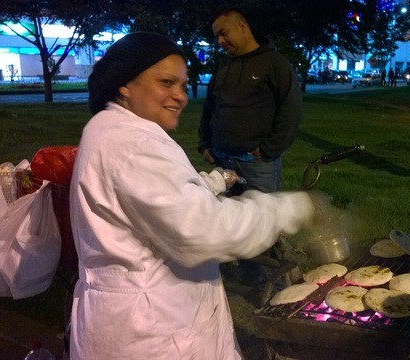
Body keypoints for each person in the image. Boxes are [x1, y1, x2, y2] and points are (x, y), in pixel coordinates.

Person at [70, 31, 333, 359]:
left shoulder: (110, 130)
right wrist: (292, 207)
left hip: (136, 314)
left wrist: (215, 181)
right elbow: (204, 230)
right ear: (125, 84)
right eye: (166, 83)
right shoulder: (134, 145)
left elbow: (159, 197)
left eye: (182, 85)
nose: (179, 96)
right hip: (152, 329)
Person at [198, 7, 302, 196]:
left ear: (242, 26)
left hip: (258, 166)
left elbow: (290, 110)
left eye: (223, 33)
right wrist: (204, 144)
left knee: (263, 221)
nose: (220, 41)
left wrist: (268, 150)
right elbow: (209, 108)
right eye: (217, 37)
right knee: (227, 221)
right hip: (222, 163)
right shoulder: (223, 67)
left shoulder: (275, 63)